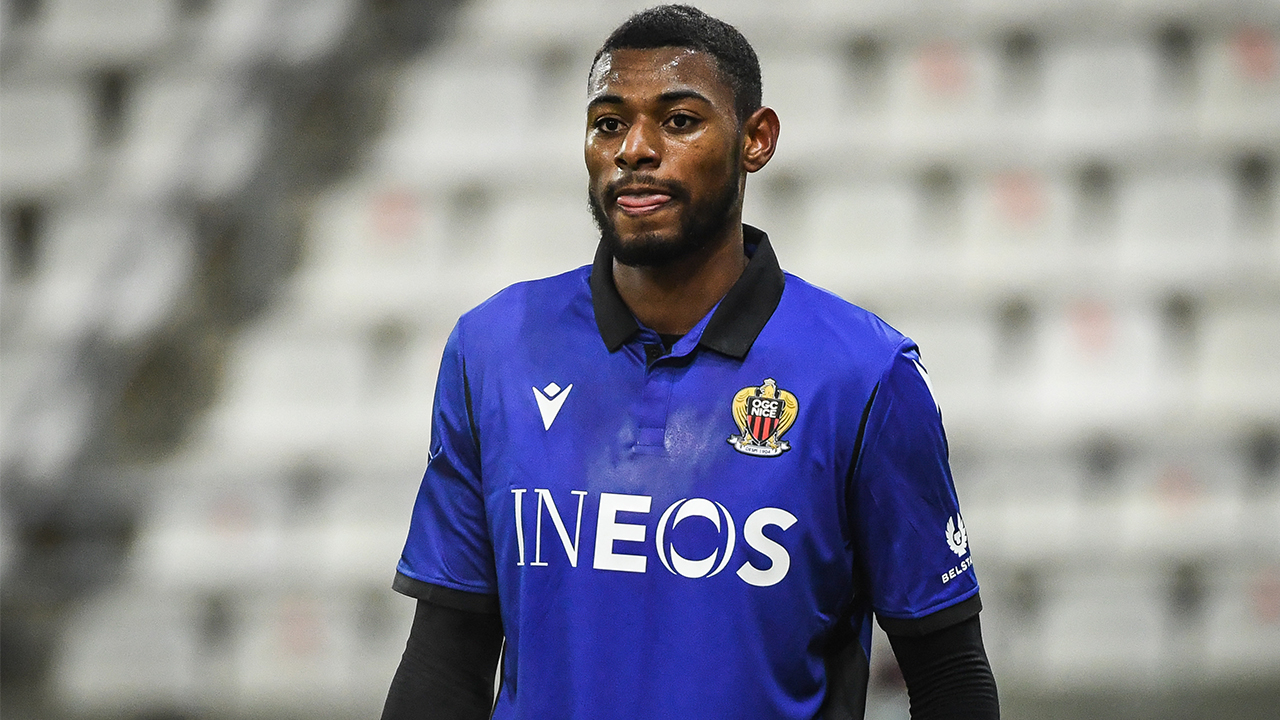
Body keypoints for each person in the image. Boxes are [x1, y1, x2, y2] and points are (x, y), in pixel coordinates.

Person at [382, 5, 999, 719]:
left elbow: (950, 676)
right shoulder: (494, 348)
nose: (634, 149)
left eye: (678, 121)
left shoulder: (865, 374)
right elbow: (444, 664)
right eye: (608, 123)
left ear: (755, 140)